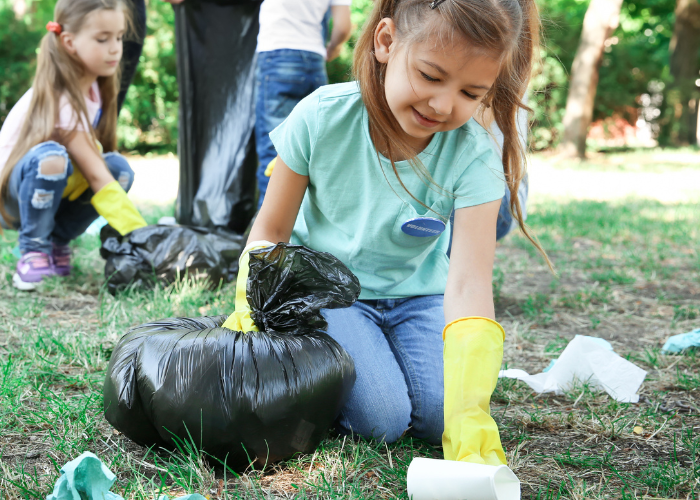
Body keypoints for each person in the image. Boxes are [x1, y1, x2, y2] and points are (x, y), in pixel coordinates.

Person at [223, 0, 551, 466]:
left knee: (444, 418)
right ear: (386, 41)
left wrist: (471, 411)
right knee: (383, 420)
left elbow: (469, 281)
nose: (443, 105)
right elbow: (272, 228)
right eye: (431, 76)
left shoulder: (474, 154)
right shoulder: (321, 117)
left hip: (420, 298)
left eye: (471, 92)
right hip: (333, 296)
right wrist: (248, 308)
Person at [0, 0, 148, 291]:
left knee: (119, 170)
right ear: (69, 42)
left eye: (119, 37)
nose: (115, 48)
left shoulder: (95, 87)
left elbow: (100, 167)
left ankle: (56, 242)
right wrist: (142, 236)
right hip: (8, 195)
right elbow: (95, 174)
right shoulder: (62, 96)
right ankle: (33, 249)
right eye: (102, 39)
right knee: (52, 158)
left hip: (48, 188)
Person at [254, 0, 353, 207]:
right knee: (314, 153)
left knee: (274, 153)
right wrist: (333, 48)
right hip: (314, 59)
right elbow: (343, 27)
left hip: (277, 54)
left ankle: (267, 236)